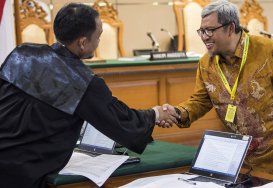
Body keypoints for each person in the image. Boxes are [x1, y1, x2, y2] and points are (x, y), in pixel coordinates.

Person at [0, 3, 177, 188]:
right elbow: (122, 121)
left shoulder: (21, 53)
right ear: (83, 43)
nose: (99, 41)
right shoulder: (83, 82)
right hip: (21, 175)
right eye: (98, 36)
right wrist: (156, 114)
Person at [159, 0, 273, 182]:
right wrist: (178, 113)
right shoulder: (206, 63)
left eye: (210, 30)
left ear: (230, 27)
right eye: (202, 31)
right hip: (243, 163)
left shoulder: (268, 50)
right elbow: (201, 100)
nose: (204, 37)